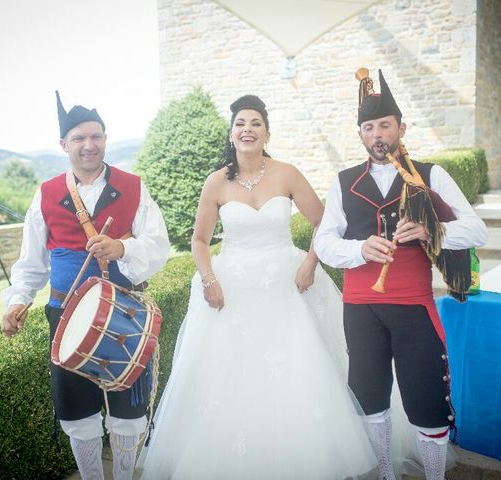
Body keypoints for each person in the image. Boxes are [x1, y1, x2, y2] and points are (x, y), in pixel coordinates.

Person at [138, 95, 378, 479]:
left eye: (255, 123)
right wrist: (209, 279)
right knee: (228, 376)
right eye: (240, 124)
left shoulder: (287, 173)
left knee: (298, 368)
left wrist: (310, 264)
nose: (247, 129)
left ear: (267, 133)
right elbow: (199, 242)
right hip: (231, 290)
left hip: (288, 284)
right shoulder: (216, 182)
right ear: (231, 134)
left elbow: (325, 225)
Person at [314, 69, 488, 480]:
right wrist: (359, 249)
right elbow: (324, 243)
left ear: (400, 128)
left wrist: (433, 230)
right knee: (370, 398)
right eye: (369, 127)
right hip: (360, 309)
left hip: (414, 306)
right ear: (360, 135)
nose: (377, 134)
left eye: (385, 126)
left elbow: (477, 228)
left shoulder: (431, 175)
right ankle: (388, 474)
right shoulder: (342, 183)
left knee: (427, 400)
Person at [1, 91, 170, 480]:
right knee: (79, 412)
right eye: (79, 138)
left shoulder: (133, 186)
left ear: (106, 139)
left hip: (125, 311)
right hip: (66, 317)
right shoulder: (45, 193)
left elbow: (159, 245)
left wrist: (122, 246)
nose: (88, 145)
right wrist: (17, 301)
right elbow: (31, 261)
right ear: (64, 145)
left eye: (96, 137)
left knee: (128, 410)